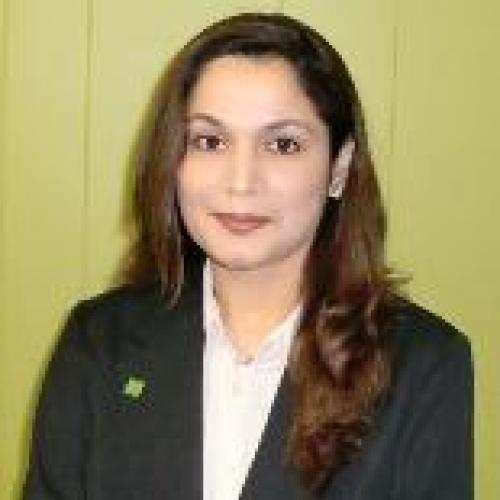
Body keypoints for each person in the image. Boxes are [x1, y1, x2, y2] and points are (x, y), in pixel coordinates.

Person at [23, 12, 473, 500]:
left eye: (282, 144)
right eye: (210, 141)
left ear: (339, 169)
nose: (241, 182)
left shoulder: (423, 365)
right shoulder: (97, 344)